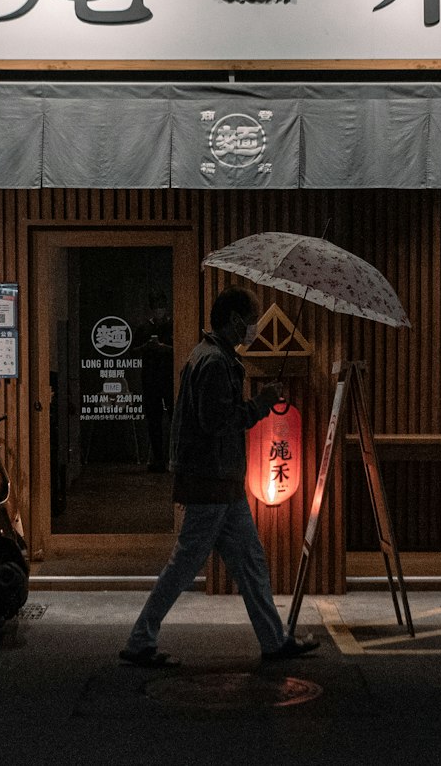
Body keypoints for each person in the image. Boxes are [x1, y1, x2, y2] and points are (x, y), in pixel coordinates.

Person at [119, 285, 320, 668]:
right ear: (233, 321)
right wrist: (259, 406)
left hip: (222, 483)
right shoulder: (214, 363)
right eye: (252, 319)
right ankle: (140, 640)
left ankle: (274, 641)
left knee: (250, 562)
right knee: (185, 566)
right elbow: (217, 422)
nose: (255, 327)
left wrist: (257, 403)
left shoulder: (213, 357)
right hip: (212, 482)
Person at [131, 289, 175, 472]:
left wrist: (164, 348)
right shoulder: (143, 328)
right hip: (150, 378)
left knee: (174, 417)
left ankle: (172, 457)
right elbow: (132, 350)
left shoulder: (173, 326)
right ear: (151, 309)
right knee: (153, 420)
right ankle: (158, 460)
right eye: (156, 307)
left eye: (161, 307)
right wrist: (147, 347)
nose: (159, 310)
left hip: (168, 377)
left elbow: (181, 348)